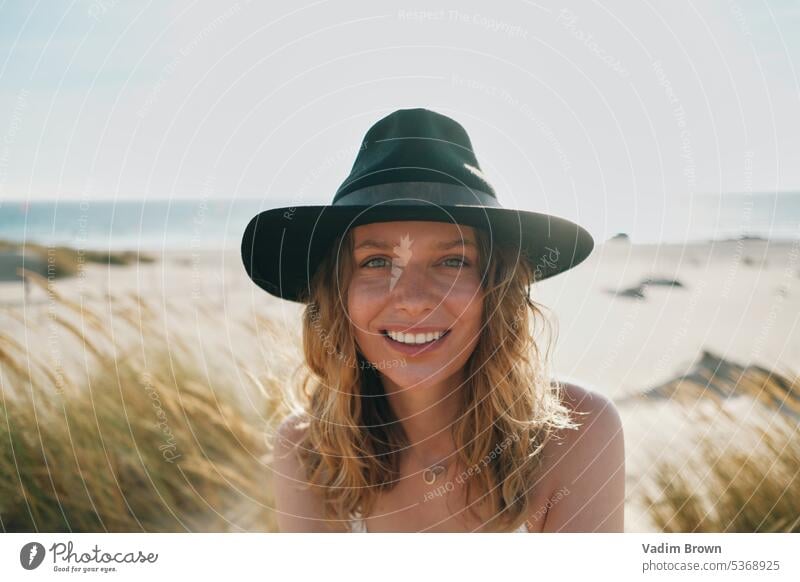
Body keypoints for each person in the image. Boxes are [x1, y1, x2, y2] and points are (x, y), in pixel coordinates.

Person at [241, 108, 625, 532]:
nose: (413, 300)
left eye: (453, 260)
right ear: (337, 294)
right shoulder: (308, 451)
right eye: (376, 261)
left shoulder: (576, 432)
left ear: (495, 289)